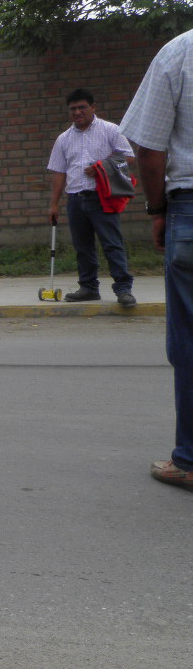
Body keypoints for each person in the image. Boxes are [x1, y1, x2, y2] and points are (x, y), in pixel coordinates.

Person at [120, 31, 193, 491]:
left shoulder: (180, 51)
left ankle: (188, 459)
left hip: (188, 205)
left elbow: (147, 148)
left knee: (189, 342)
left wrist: (158, 209)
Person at [46, 88, 137, 306]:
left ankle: (123, 289)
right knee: (82, 247)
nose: (77, 112)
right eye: (73, 109)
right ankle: (88, 287)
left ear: (93, 107)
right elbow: (59, 172)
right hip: (75, 199)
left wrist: (101, 167)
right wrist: (53, 205)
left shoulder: (110, 130)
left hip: (102, 197)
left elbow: (128, 157)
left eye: (82, 107)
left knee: (112, 244)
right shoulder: (63, 139)